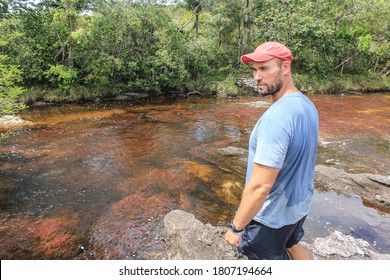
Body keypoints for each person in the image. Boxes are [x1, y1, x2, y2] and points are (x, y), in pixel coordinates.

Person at [225, 41, 319, 260]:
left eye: (265, 68)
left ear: (285, 67)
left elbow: (260, 186)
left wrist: (236, 228)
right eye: (255, 70)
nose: (257, 76)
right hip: (298, 208)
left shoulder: (275, 119)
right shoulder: (306, 105)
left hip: (270, 217)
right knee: (292, 245)